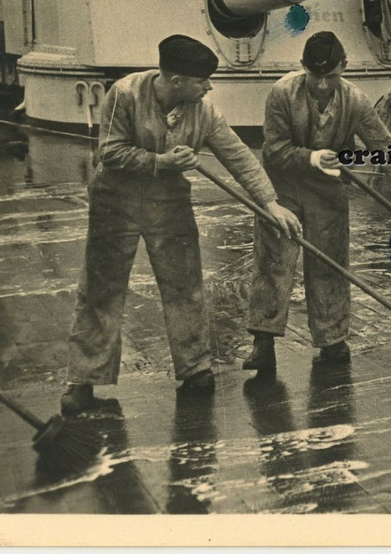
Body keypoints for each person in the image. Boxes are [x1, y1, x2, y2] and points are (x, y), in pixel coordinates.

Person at [60, 35, 302, 414]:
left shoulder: (202, 110)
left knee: (185, 285)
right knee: (101, 289)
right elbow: (107, 151)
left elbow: (237, 154)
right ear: (174, 80)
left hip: (169, 201)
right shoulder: (124, 94)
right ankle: (83, 380)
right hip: (115, 200)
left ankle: (195, 368)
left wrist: (270, 203)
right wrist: (160, 162)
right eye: (201, 80)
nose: (208, 87)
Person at [247, 32, 391, 370]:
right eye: (317, 76)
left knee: (330, 262)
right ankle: (263, 341)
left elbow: (385, 148)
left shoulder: (355, 99)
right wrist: (313, 158)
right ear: (302, 68)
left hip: (327, 191)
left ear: (345, 66)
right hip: (282, 185)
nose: (324, 85)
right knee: (274, 260)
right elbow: (273, 149)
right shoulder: (282, 93)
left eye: (332, 76)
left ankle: (331, 340)